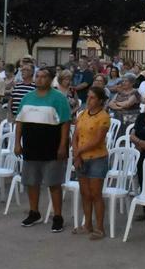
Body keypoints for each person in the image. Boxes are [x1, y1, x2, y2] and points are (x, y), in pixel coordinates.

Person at [14, 68, 71, 231]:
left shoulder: (59, 98)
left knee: (54, 183)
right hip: (31, 147)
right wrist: (17, 143)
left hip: (52, 147)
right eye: (37, 76)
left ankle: (58, 216)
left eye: (43, 77)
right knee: (32, 182)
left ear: (51, 79)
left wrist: (62, 146)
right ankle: (34, 212)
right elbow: (19, 122)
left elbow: (65, 123)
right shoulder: (27, 98)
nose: (39, 79)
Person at [71, 87, 111, 239]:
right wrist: (77, 153)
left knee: (95, 194)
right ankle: (87, 224)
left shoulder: (103, 116)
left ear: (100, 100)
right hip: (81, 157)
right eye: (88, 97)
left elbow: (98, 140)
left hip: (97, 158)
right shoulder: (82, 114)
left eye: (92, 97)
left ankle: (100, 228)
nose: (88, 100)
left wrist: (78, 152)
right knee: (85, 193)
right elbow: (75, 136)